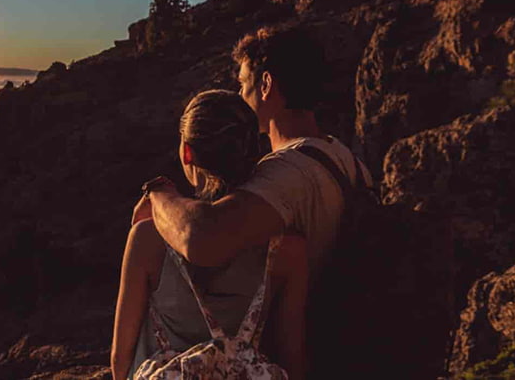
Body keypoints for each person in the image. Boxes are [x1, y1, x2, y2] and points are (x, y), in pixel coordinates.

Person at [111, 90, 308, 379]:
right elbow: (293, 355)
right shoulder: (288, 248)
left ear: (187, 152)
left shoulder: (148, 238)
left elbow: (120, 357)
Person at [145, 24, 372, 271]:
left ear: (265, 84)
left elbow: (201, 239)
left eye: (243, 84)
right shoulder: (344, 157)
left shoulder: (288, 172)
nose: (239, 95)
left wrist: (160, 194)